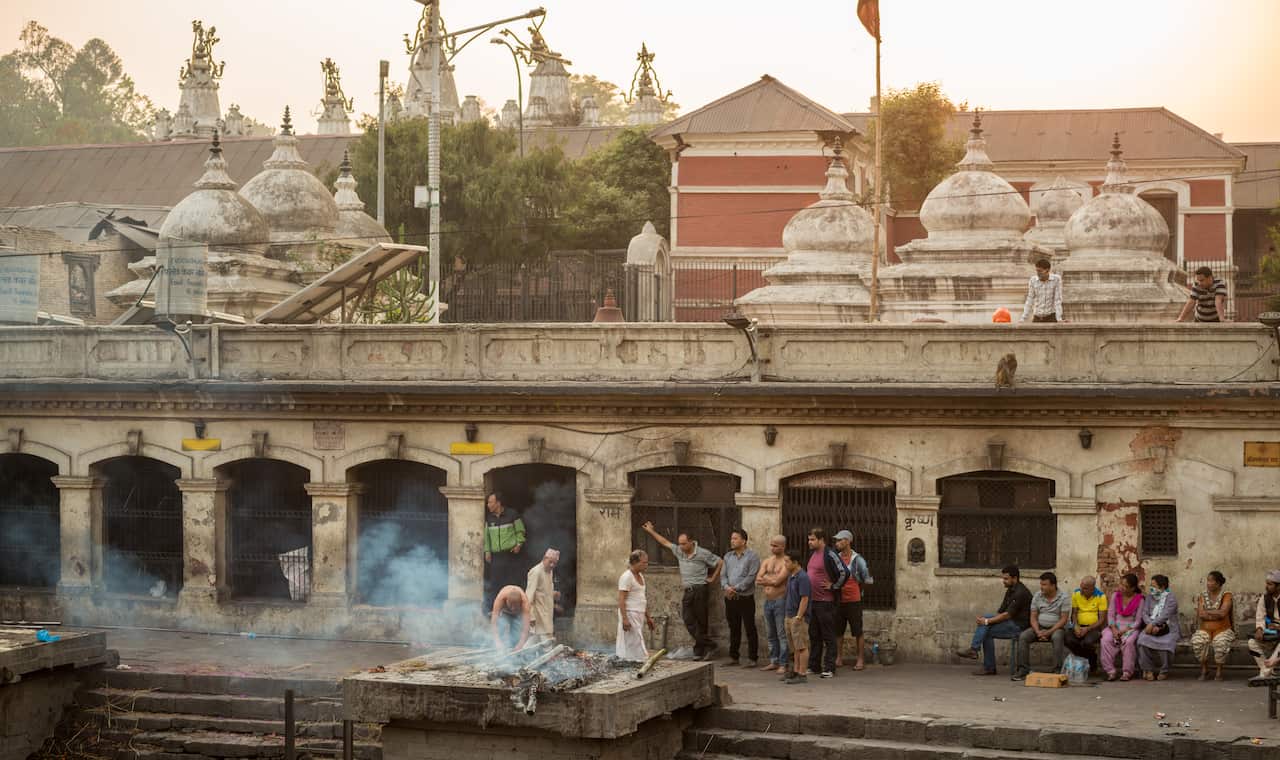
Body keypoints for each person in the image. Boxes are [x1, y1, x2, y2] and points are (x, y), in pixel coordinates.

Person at [640, 521, 723, 661]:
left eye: (684, 544)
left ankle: (700, 651)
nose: (681, 546)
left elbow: (720, 562)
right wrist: (651, 531)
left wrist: (713, 578)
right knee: (688, 619)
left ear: (691, 542)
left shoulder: (702, 553)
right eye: (680, 544)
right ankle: (711, 645)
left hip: (700, 590)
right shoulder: (679, 551)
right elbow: (665, 542)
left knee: (701, 621)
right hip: (688, 591)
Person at [955, 565, 1031, 676]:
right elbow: (1001, 612)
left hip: (1019, 626)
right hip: (1010, 622)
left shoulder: (1021, 592)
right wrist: (987, 622)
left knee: (986, 629)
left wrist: (987, 622)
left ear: (1015, 578)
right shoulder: (1010, 590)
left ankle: (981, 658)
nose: (1003, 581)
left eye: (1006, 579)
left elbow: (1007, 615)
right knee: (986, 621)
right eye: (1003, 578)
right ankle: (976, 652)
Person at [805, 528, 848, 679]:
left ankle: (829, 667)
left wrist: (834, 586)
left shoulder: (829, 554)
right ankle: (814, 665)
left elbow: (844, 572)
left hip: (826, 602)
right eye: (809, 539)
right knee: (814, 635)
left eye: (812, 539)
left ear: (821, 539)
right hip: (813, 601)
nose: (809, 542)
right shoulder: (812, 554)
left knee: (828, 635)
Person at [1014, 571, 1069, 680]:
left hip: (1056, 628)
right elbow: (1033, 617)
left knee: (1057, 637)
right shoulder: (1037, 595)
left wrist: (1049, 632)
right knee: (1023, 636)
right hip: (1039, 627)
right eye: (1041, 584)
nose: (1041, 587)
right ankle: (1023, 670)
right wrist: (1037, 631)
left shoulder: (1064, 597)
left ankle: (1057, 670)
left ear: (1053, 585)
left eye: (1044, 584)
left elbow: (1063, 619)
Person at [833, 529, 873, 671]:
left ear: (848, 541)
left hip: (854, 601)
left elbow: (868, 580)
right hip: (839, 600)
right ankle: (838, 657)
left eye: (840, 540)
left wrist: (859, 591)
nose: (837, 543)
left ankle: (860, 659)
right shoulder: (836, 558)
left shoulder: (858, 560)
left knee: (857, 631)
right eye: (837, 540)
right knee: (838, 631)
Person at [721, 527, 761, 667]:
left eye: (735, 538)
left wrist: (735, 588)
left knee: (750, 628)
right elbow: (723, 576)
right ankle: (734, 657)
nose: (732, 541)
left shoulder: (752, 556)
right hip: (730, 598)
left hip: (745, 598)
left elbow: (751, 577)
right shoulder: (728, 556)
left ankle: (753, 658)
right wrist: (726, 587)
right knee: (733, 628)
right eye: (731, 538)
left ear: (743, 541)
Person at [483, 492, 526, 609]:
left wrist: (519, 544)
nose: (488, 505)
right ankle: (495, 609)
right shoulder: (489, 518)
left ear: (498, 503)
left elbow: (520, 530)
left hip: (511, 555)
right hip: (496, 557)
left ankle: (512, 610)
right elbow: (487, 536)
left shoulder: (512, 514)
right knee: (495, 584)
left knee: (511, 584)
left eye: (490, 502)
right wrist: (487, 551)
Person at [1191, 570, 1235, 681]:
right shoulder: (1203, 595)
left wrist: (1208, 612)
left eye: (1211, 581)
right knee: (1197, 642)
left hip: (1223, 629)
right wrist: (1216, 613)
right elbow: (1201, 614)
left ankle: (1219, 671)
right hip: (1205, 629)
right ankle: (1205, 669)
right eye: (1208, 581)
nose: (1209, 583)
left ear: (1218, 583)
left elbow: (1223, 613)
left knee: (1220, 643)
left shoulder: (1226, 595)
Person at [1101, 573, 1144, 681]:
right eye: (1121, 584)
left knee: (1128, 642)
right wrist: (1114, 629)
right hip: (1115, 626)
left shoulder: (1140, 599)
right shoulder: (1116, 596)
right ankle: (1110, 671)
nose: (1121, 587)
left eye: (1125, 586)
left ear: (1132, 588)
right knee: (1105, 640)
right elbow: (1111, 615)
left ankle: (1127, 672)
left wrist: (1124, 631)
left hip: (1131, 627)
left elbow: (1138, 621)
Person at [755, 535, 789, 672]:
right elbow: (758, 579)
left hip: (780, 600)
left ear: (783, 546)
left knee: (781, 633)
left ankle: (783, 663)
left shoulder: (786, 562)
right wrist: (772, 580)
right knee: (770, 633)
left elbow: (778, 581)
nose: (772, 548)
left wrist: (768, 579)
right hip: (768, 601)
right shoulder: (767, 561)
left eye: (776, 545)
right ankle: (774, 661)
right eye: (771, 545)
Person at [1137, 574, 1180, 680]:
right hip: (1150, 628)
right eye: (1151, 585)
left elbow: (1165, 615)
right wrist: (1150, 625)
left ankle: (1164, 670)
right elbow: (1144, 613)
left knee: (1166, 643)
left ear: (1162, 587)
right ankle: (1148, 670)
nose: (1151, 588)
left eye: (1154, 586)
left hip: (1168, 628)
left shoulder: (1171, 598)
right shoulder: (1149, 597)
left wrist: (1153, 624)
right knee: (1142, 640)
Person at [616, 550, 654, 660]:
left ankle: (632, 661)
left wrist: (648, 617)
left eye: (647, 562)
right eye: (644, 563)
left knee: (633, 641)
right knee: (635, 640)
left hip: (639, 613)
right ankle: (641, 659)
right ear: (635, 562)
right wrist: (625, 619)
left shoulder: (641, 576)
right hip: (629, 613)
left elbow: (642, 599)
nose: (646, 565)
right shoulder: (626, 577)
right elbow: (621, 600)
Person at [1066, 576, 1108, 672]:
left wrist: (1087, 629)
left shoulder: (1101, 596)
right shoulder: (1076, 593)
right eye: (1081, 586)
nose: (1081, 589)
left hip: (1094, 628)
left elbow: (1101, 620)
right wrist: (1076, 626)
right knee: (1068, 639)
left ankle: (1090, 661)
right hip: (1079, 626)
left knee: (1087, 642)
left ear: (1092, 589)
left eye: (1085, 588)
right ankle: (1087, 660)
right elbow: (1074, 613)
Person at [782, 550, 811, 685]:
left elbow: (804, 598)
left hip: (798, 617)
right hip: (789, 615)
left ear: (795, 562)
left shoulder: (802, 577)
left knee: (802, 646)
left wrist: (799, 616)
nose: (785, 564)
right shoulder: (791, 576)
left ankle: (802, 673)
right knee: (794, 647)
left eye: (787, 561)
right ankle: (795, 671)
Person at [1248, 569, 1280, 679]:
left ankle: (1265, 674)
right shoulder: (1264, 598)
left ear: (1278, 586)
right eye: (1266, 583)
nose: (1266, 586)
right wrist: (1259, 629)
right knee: (1252, 643)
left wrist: (1278, 627)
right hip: (1271, 632)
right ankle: (1267, 670)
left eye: (1270, 584)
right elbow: (1260, 616)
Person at [525, 548, 560, 646]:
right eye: (550, 562)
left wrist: (553, 594)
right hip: (538, 614)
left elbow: (544, 591)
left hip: (546, 612)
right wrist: (530, 616)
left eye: (554, 563)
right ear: (544, 558)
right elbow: (528, 596)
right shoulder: (536, 572)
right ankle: (550, 656)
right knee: (547, 641)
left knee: (534, 641)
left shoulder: (550, 571)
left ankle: (521, 654)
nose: (552, 565)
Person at [490, 584, 531, 651]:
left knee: (516, 633)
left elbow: (526, 628)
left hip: (518, 614)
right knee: (501, 625)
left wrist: (520, 645)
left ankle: (514, 649)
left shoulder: (525, 603)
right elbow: (494, 623)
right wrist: (497, 642)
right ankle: (501, 648)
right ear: (506, 600)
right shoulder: (500, 599)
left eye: (515, 606)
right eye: (511, 605)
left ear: (520, 602)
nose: (512, 608)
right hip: (505, 612)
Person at [1021, 258, 1063, 323]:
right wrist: (1023, 318)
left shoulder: (1056, 279)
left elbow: (1057, 300)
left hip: (1051, 317)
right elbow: (1030, 299)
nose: (1038, 273)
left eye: (1040, 271)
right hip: (1037, 317)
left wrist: (1059, 318)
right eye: (1037, 271)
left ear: (1047, 270)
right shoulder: (1033, 280)